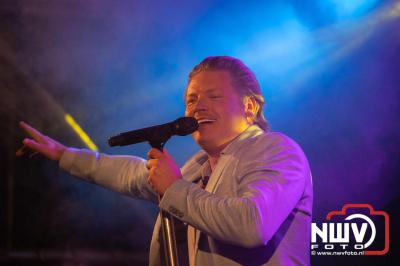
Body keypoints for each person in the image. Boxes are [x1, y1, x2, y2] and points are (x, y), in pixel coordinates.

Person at [17, 56, 313, 266]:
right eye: (191, 100)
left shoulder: (276, 150)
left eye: (213, 96)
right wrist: (63, 154)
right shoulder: (199, 167)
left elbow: (253, 224)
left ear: (249, 107)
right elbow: (132, 174)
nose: (197, 107)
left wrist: (174, 188)